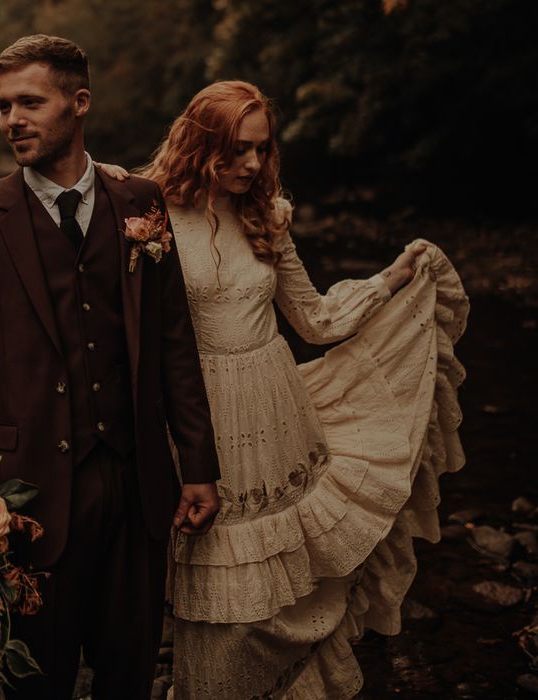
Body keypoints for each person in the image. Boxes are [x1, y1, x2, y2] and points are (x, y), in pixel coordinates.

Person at [102, 79, 468, 698]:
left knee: (283, 593)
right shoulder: (146, 210)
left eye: (262, 149)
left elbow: (314, 319)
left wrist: (392, 280)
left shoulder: (266, 216)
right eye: (237, 150)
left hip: (277, 419)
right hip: (197, 422)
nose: (252, 164)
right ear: (199, 144)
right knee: (213, 594)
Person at [0, 34, 221, 699]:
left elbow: (175, 343)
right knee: (36, 681)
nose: (12, 121)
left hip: (137, 483)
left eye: (30, 102)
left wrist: (197, 467)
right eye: (3, 106)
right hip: (25, 496)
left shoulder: (142, 203)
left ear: (79, 103)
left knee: (129, 671)